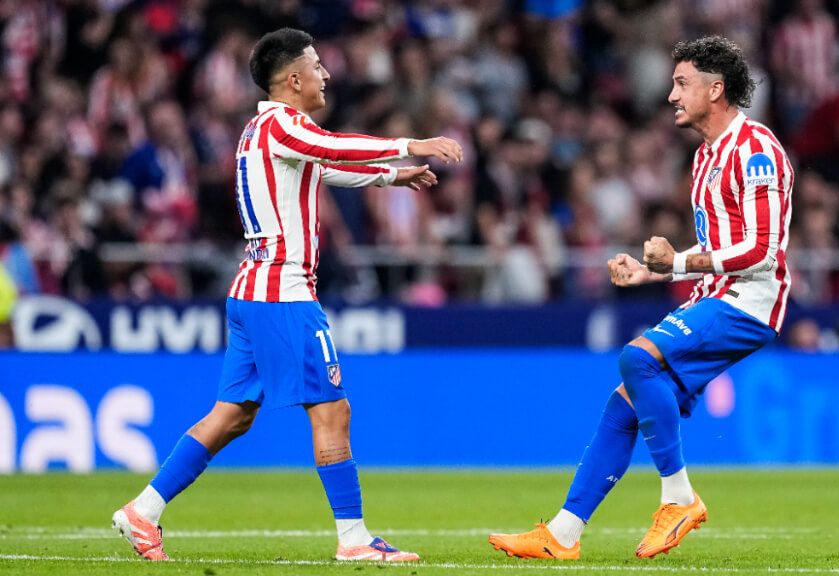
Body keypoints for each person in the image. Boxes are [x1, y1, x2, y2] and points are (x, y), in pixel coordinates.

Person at [112, 28, 462, 563]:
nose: (326, 74)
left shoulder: (260, 130)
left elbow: (324, 168)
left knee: (232, 414)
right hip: (283, 293)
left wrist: (390, 178)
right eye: (317, 65)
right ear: (293, 79)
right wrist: (410, 144)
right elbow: (329, 146)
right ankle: (353, 540)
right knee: (332, 410)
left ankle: (143, 511)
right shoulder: (283, 123)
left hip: (251, 291)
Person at [488, 36, 793, 560]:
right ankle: (562, 533)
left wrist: (674, 262)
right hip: (715, 293)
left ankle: (679, 498)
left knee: (636, 357)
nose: (671, 95)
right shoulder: (705, 157)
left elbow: (762, 251)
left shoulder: (756, 149)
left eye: (682, 83)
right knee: (626, 400)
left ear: (716, 89)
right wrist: (651, 272)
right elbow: (720, 246)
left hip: (749, 302)